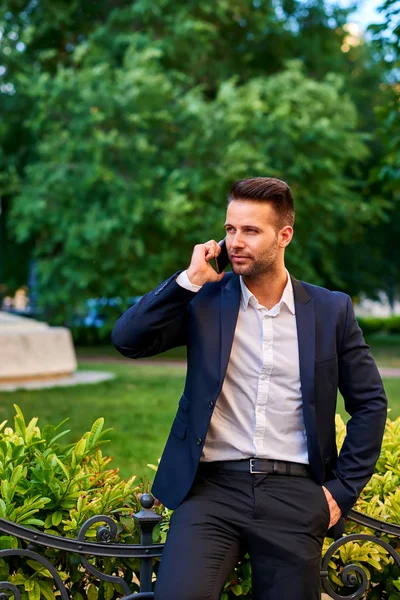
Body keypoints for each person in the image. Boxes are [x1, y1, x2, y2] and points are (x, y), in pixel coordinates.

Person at [112, 177, 387, 600]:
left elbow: (369, 403)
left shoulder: (331, 310)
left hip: (295, 491)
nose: (235, 242)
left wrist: (341, 491)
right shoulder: (205, 300)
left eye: (250, 231)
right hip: (211, 492)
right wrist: (189, 279)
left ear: (284, 236)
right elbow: (128, 339)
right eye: (229, 230)